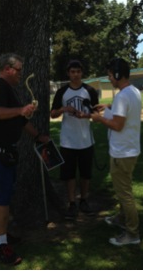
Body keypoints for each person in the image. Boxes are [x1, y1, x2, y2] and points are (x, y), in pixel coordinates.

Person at [0, 53, 48, 265]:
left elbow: (21, 121)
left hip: (3, 151)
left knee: (4, 195)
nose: (20, 74)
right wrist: (20, 109)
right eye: (19, 70)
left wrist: (38, 136)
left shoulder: (9, 90)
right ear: (7, 68)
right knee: (0, 198)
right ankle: (2, 246)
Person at [91, 58, 142, 246]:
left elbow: (117, 125)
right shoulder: (133, 92)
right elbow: (123, 112)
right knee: (124, 189)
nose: (109, 78)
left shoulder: (122, 96)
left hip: (122, 153)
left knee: (124, 194)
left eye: (111, 75)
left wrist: (99, 119)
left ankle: (132, 233)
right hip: (131, 150)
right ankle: (121, 218)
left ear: (119, 75)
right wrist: (108, 107)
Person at [50, 60, 99, 220]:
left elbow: (97, 114)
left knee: (85, 173)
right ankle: (72, 203)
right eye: (72, 72)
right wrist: (64, 109)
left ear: (82, 73)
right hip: (68, 140)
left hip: (85, 139)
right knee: (69, 174)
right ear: (68, 73)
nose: (75, 74)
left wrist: (86, 114)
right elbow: (53, 114)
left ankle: (83, 200)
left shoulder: (90, 91)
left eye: (78, 71)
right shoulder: (62, 92)